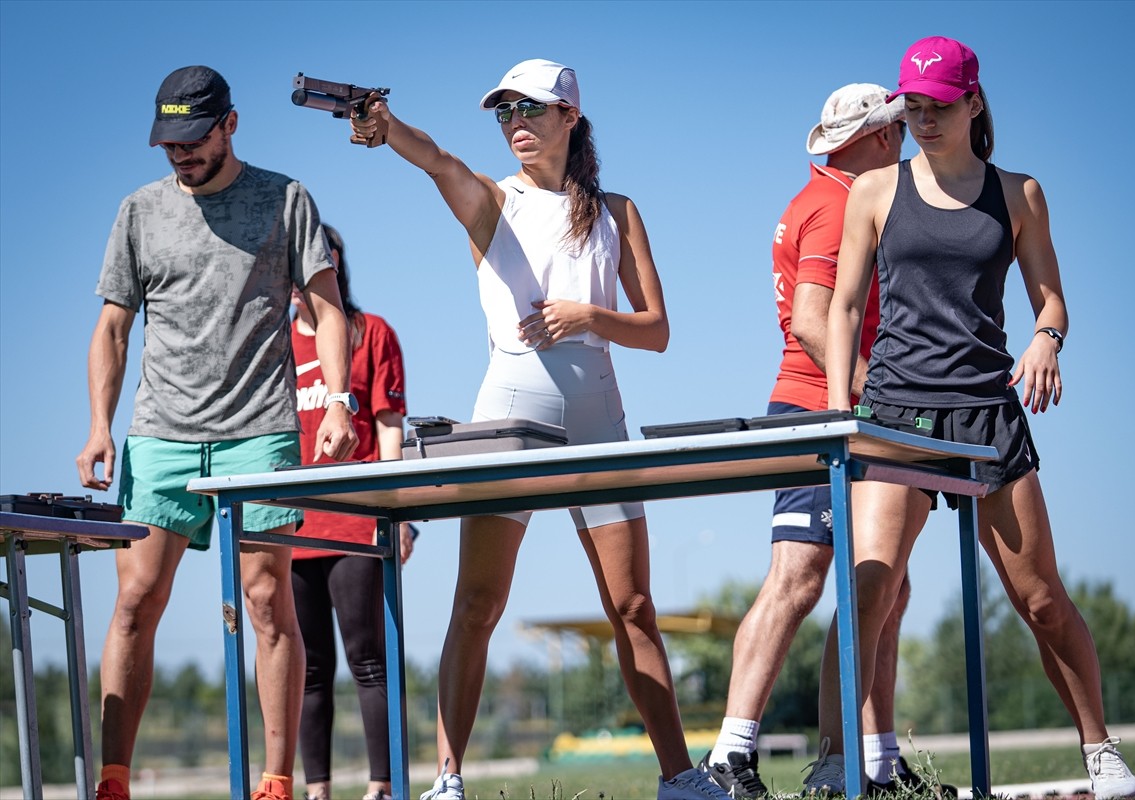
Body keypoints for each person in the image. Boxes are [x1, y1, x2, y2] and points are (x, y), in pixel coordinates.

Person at [345, 58, 727, 800]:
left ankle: (679, 778)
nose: (515, 122)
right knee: (478, 602)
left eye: (530, 109)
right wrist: (385, 128)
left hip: (600, 414)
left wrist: (590, 317)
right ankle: (448, 781)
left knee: (635, 608)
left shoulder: (618, 211)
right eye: (503, 112)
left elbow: (657, 331)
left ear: (569, 117)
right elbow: (436, 160)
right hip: (509, 414)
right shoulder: (491, 198)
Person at [806, 36, 1135, 797]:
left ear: (973, 103)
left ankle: (1101, 751)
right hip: (896, 417)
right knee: (869, 589)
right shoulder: (875, 192)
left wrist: (1046, 340)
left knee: (1043, 600)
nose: (923, 119)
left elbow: (1050, 300)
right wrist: (837, 412)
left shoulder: (1020, 194)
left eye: (937, 106)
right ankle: (834, 760)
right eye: (913, 107)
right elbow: (846, 307)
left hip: (989, 415)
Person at [76, 65, 358, 800]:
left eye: (193, 140)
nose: (180, 155)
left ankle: (276, 783)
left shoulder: (283, 198)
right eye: (168, 143)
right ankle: (113, 781)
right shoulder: (138, 211)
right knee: (137, 601)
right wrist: (99, 428)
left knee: (266, 600)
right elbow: (112, 327)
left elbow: (327, 309)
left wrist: (338, 401)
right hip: (161, 433)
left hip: (258, 431)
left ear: (229, 125)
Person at [699, 84, 951, 797]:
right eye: (897, 129)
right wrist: (886, 398)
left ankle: (867, 762)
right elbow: (813, 321)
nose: (905, 140)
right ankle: (733, 754)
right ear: (871, 137)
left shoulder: (827, 195)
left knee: (885, 589)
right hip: (823, 410)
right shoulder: (840, 203)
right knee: (799, 577)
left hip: (838, 410)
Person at [290, 223, 416, 800]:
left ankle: (380, 786)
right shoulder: (272, 343)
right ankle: (316, 789)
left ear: (336, 265)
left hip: (355, 525)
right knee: (307, 671)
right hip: (288, 528)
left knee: (368, 660)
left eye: (323, 258)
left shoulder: (372, 333)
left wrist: (394, 513)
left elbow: (389, 423)